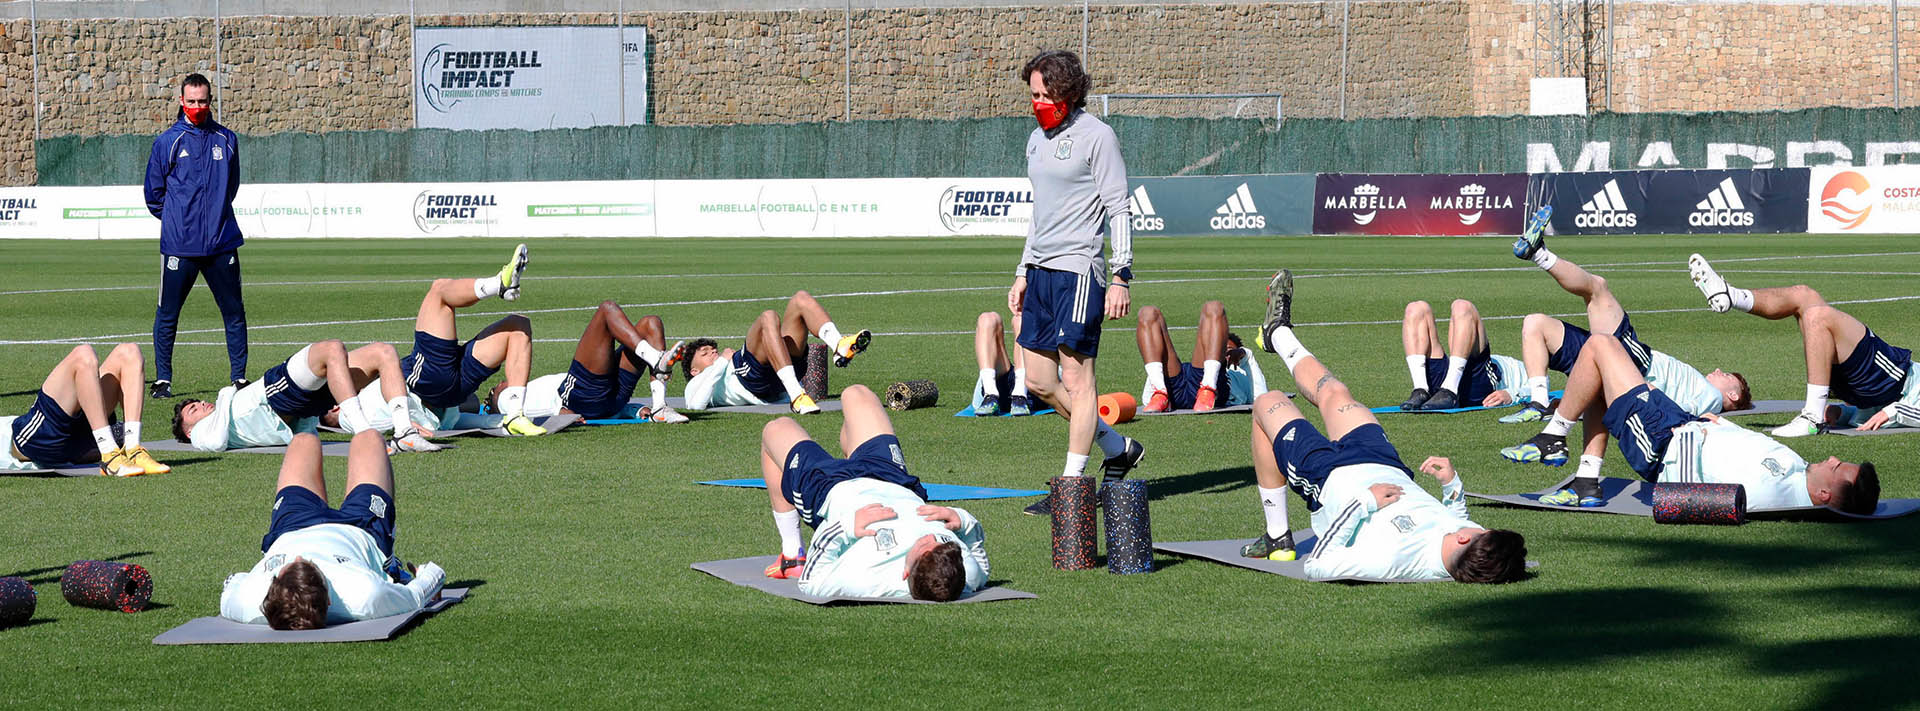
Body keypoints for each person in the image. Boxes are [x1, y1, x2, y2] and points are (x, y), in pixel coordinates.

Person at [1246, 270, 1526, 583]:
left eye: (1481, 532)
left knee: (1268, 403)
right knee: (1334, 391)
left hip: (1328, 475)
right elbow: (1453, 521)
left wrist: (1364, 503)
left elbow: (1318, 566)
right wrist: (1452, 486)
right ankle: (1278, 334)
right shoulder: (1459, 544)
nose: (1477, 527)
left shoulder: (1393, 561)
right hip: (1382, 460)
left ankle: (1277, 536)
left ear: (1465, 541)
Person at [1503, 333, 1879, 513]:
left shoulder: (1775, 495)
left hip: (1664, 443)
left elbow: (1698, 496)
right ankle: (1586, 480)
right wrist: (1718, 424)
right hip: (1685, 423)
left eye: (1838, 468)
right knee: (1600, 363)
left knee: (1601, 346)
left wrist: (1674, 460)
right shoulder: (1796, 470)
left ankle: (1555, 435)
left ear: (1827, 497)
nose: (1832, 459)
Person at [1010, 50, 1143, 515]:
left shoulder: (1097, 137)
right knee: (1041, 381)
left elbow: (1119, 206)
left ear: (1067, 93)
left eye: (1045, 94)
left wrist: (1122, 274)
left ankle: (1071, 486)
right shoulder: (1035, 140)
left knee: (1078, 381)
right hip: (1042, 272)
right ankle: (1118, 448)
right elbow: (1039, 212)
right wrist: (1023, 271)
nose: (1038, 102)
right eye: (1033, 95)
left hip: (1080, 270)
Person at [756, 385, 990, 601]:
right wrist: (963, 521)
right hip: (893, 479)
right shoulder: (961, 573)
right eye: (940, 541)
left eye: (924, 546)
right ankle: (854, 454)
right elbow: (982, 566)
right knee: (857, 394)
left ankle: (792, 555)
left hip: (830, 488)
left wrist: (847, 526)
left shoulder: (866, 580)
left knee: (776, 428)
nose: (931, 537)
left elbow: (809, 582)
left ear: (906, 571)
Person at [1503, 226, 1750, 425]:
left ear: (1733, 395)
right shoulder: (1704, 391)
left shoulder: (1712, 397)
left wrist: (1637, 387)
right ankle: (1538, 403)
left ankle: (1539, 254)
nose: (1719, 370)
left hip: (1635, 365)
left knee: (1597, 289)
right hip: (1624, 369)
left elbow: (1679, 414)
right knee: (1535, 324)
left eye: (1727, 376)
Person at [219, 431, 447, 629]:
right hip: (359, 530)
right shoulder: (365, 595)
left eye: (290, 566)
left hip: (290, 528)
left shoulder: (245, 602)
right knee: (368, 439)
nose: (301, 555)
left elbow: (232, 581)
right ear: (329, 599)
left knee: (303, 440)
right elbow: (419, 593)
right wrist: (426, 573)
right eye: (311, 564)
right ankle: (390, 564)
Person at [1690, 255, 1919, 436]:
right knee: (1805, 295)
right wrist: (1843, 413)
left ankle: (1811, 417)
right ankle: (1731, 296)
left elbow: (1902, 407)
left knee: (1818, 317)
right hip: (1875, 388)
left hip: (1893, 380)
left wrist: (1892, 412)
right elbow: (1872, 412)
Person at [145, 72, 247, 398]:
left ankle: (239, 378)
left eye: (203, 101)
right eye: (191, 101)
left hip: (221, 243)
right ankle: (163, 379)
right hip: (179, 246)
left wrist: (213, 216)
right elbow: (154, 194)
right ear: (181, 101)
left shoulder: (227, 139)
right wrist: (179, 221)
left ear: (210, 101)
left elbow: (231, 187)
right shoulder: (167, 142)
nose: (197, 106)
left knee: (234, 312)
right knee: (167, 314)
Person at [171, 340, 436, 452]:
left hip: (299, 404)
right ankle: (365, 435)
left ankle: (404, 434)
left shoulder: (218, 416)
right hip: (273, 393)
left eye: (197, 403)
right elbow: (217, 443)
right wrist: (225, 394)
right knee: (332, 348)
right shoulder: (203, 434)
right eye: (194, 410)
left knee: (383, 352)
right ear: (190, 431)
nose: (202, 405)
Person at [398, 244, 544, 436]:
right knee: (439, 290)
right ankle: (499, 284)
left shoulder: (368, 388)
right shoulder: (370, 396)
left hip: (452, 393)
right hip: (427, 385)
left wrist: (495, 421)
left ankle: (515, 415)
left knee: (518, 326)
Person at [496, 300, 689, 423]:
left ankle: (659, 407)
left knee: (651, 323)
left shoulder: (523, 387)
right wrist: (560, 413)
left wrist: (636, 410)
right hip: (583, 397)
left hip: (611, 397)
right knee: (606, 310)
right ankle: (656, 359)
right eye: (496, 388)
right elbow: (527, 411)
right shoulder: (508, 400)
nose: (500, 383)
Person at [681, 290, 869, 414]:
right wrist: (722, 362)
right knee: (768, 317)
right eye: (705, 354)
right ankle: (797, 396)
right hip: (748, 377)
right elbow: (696, 405)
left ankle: (839, 344)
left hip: (777, 374)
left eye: (714, 350)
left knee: (800, 298)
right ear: (694, 370)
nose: (713, 353)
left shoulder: (722, 363)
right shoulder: (696, 382)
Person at [1, 344, 168, 476]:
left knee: (130, 351)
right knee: (83, 354)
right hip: (42, 441)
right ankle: (109, 453)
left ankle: (132, 449)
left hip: (84, 439)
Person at [1396, 298, 1529, 411]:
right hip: (1451, 376)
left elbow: (1541, 388)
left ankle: (1450, 392)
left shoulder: (1533, 370)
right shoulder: (1533, 363)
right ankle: (1420, 390)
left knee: (1462, 306)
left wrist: (1511, 394)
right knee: (1415, 309)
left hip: (1478, 386)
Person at [1135, 301, 1270, 412]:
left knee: (1215, 307)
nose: (1226, 353)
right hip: (1174, 386)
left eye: (1226, 349)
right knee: (1147, 312)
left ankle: (1208, 389)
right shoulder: (1188, 369)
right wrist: (1158, 387)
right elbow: (1147, 398)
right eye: (1223, 349)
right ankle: (1160, 393)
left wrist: (1242, 353)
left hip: (1213, 385)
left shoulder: (1241, 372)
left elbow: (1262, 396)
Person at [970, 311, 1033, 416]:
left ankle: (1020, 396)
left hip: (1030, 387)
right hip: (1000, 386)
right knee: (987, 318)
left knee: (1022, 319)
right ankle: (990, 397)